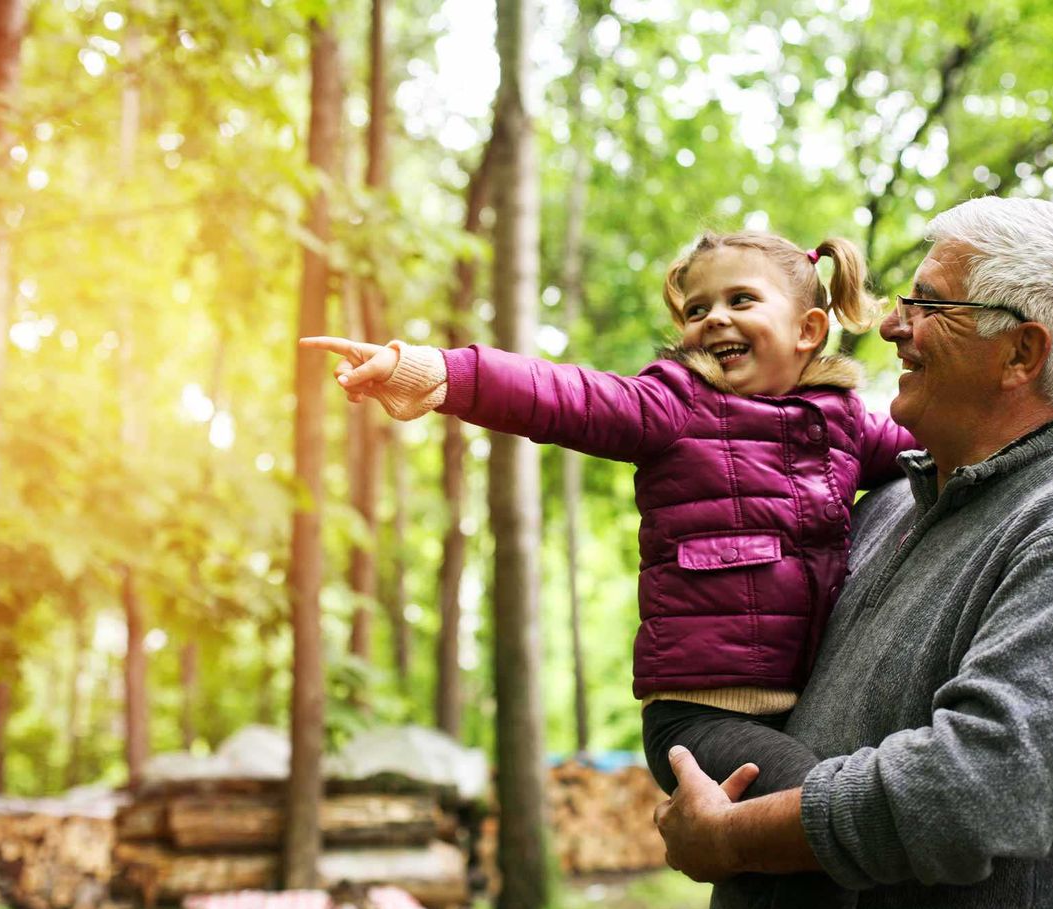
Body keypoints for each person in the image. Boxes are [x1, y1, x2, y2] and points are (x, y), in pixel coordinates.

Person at [653, 196, 1053, 909]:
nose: (892, 325)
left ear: (1021, 353)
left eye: (928, 304)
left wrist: (737, 837)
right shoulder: (891, 503)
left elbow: (983, 788)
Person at [301, 231, 917, 800]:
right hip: (699, 716)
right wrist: (434, 370)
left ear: (808, 329)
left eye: (741, 299)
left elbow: (928, 444)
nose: (715, 319)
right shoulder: (675, 405)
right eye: (698, 310)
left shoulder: (841, 423)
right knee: (826, 806)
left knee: (798, 862)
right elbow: (561, 396)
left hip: (804, 702)